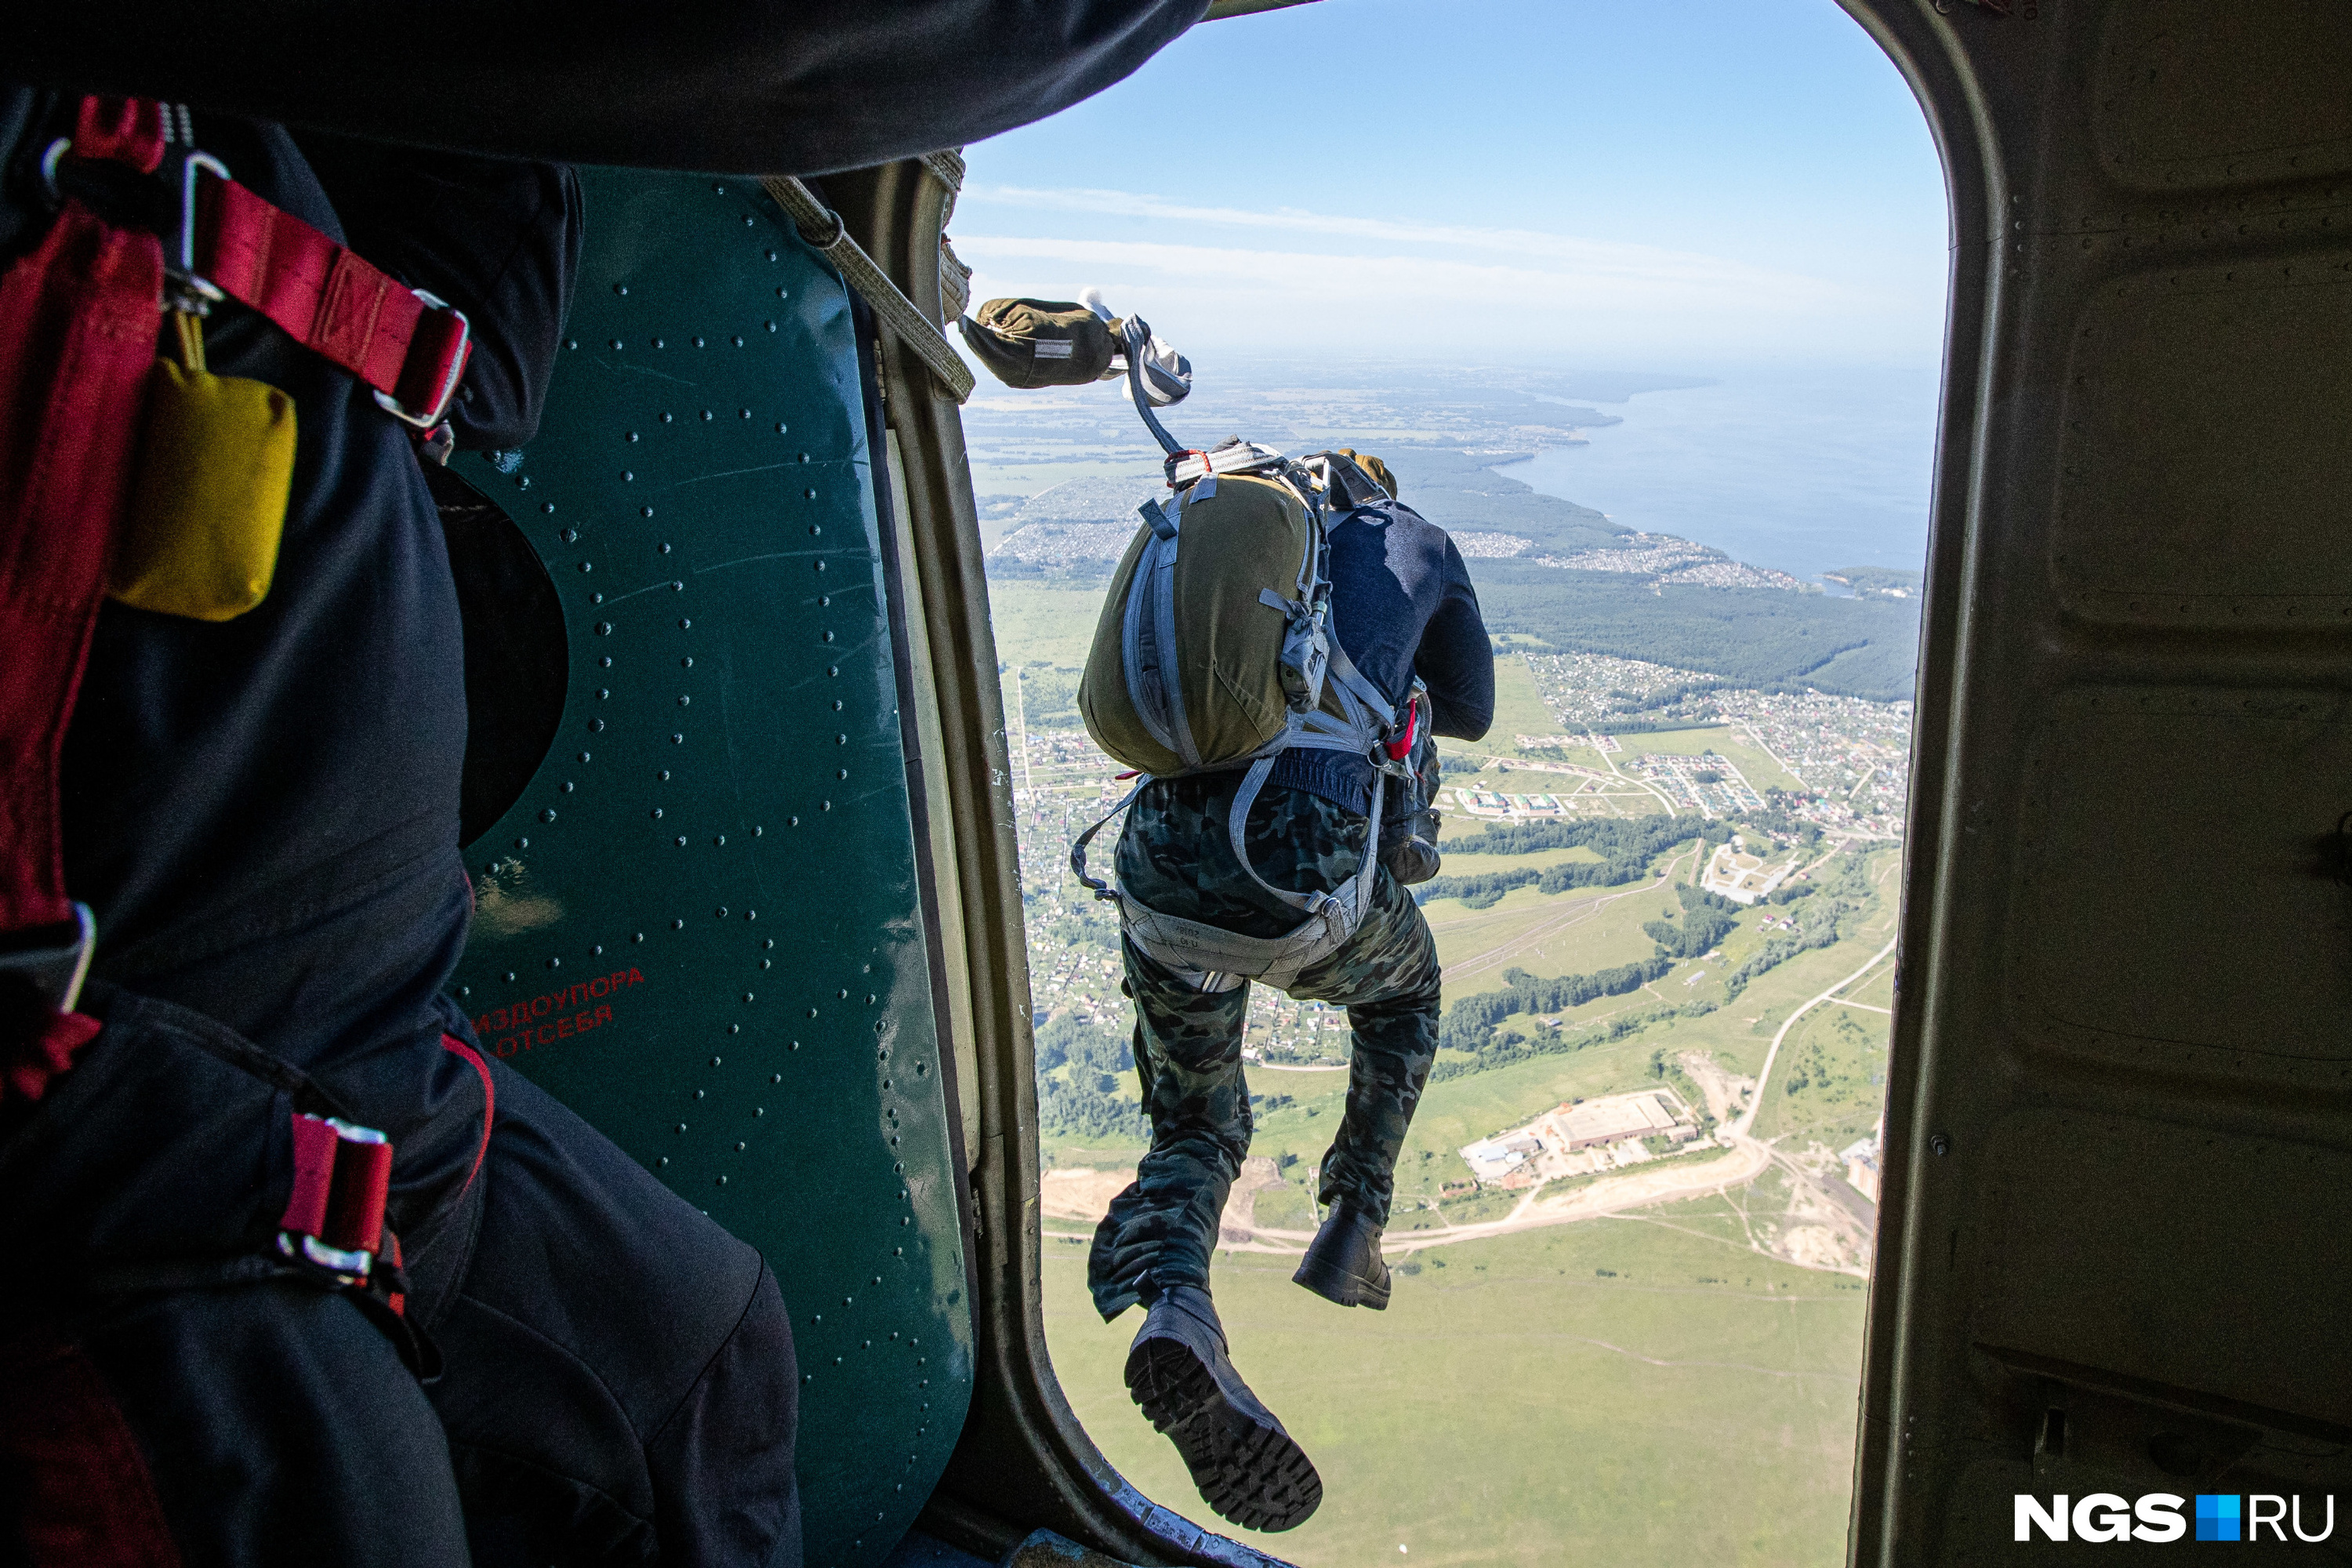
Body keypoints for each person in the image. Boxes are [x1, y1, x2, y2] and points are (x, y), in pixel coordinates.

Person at [1087, 451, 1494, 1532]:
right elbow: (1471, 706)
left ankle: (1177, 1304)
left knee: (1195, 1127)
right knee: (1404, 997)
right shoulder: (1408, 538)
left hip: (1160, 867)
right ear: (1380, 491)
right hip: (1297, 861)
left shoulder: (1241, 583)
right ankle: (1354, 1222)